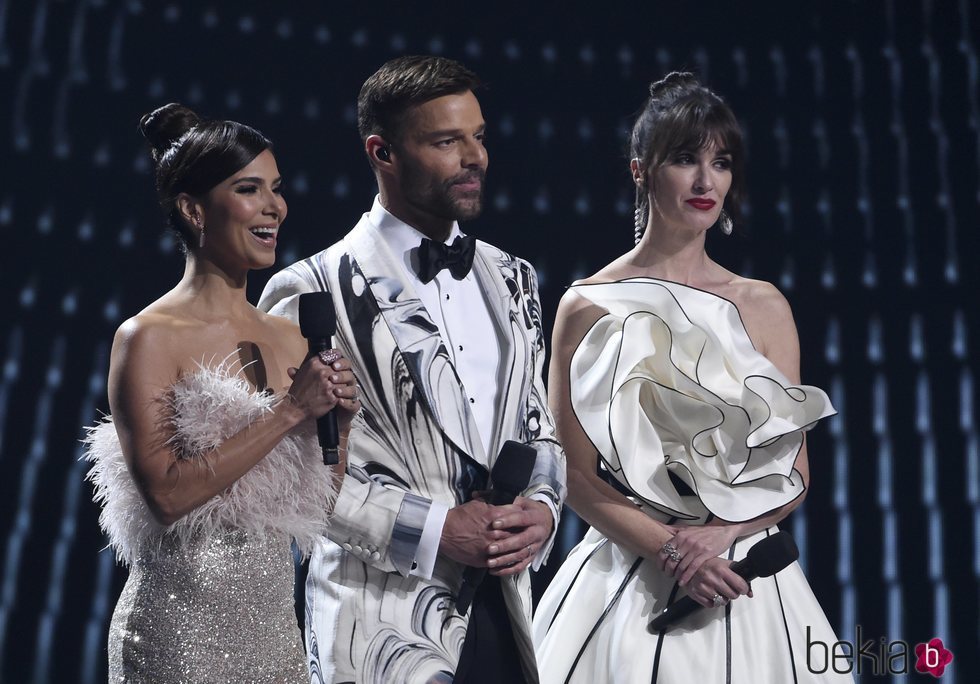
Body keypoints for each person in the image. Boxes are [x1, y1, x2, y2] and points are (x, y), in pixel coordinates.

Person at [532, 73, 853, 683]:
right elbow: (572, 475)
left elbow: (796, 474)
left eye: (722, 162)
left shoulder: (763, 305)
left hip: (747, 579)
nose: (707, 182)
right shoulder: (587, 304)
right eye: (685, 159)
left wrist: (722, 536)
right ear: (640, 170)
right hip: (629, 575)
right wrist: (673, 551)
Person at [258, 56, 566, 684]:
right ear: (383, 152)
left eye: (478, 136)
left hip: (506, 619)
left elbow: (541, 426)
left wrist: (543, 508)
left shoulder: (515, 278)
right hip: (379, 632)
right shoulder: (308, 291)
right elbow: (291, 481)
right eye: (446, 141)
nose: (475, 156)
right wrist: (435, 531)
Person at [83, 103, 359, 682]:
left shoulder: (289, 337)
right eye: (249, 189)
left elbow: (315, 509)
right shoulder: (148, 338)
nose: (274, 207)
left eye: (276, 190)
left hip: (274, 638)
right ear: (193, 209)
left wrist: (341, 421)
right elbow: (167, 496)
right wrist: (289, 412)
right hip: (177, 637)